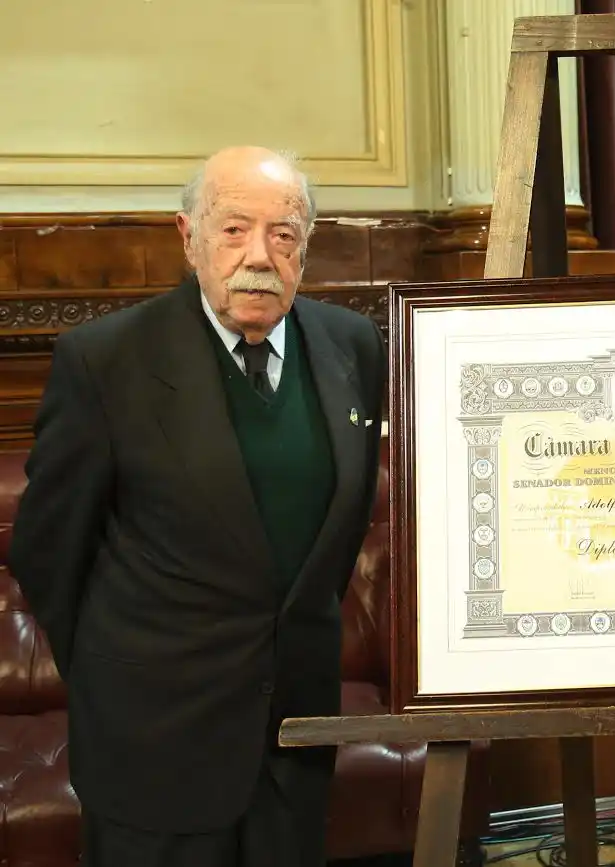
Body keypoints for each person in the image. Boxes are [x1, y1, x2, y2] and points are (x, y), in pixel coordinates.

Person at [9, 146, 387, 866]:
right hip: (153, 738)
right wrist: (118, 673)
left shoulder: (352, 345)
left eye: (284, 234)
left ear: (306, 246)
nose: (260, 255)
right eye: (234, 229)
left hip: (295, 736)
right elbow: (46, 548)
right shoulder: (105, 360)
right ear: (188, 237)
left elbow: (331, 545)